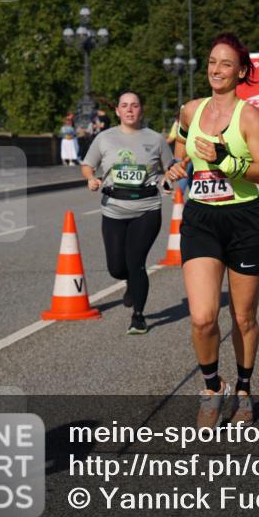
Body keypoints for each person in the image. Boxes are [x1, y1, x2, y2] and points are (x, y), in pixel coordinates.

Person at [164, 32, 259, 428]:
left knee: (243, 317)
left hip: (244, 219)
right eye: (212, 61)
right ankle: (213, 387)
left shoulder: (249, 116)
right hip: (201, 219)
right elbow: (180, 150)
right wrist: (175, 168)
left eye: (226, 63)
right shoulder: (191, 111)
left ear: (241, 71)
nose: (216, 69)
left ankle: (244, 391)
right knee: (201, 317)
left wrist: (228, 162)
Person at [81, 91, 172, 335]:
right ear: (118, 111)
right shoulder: (105, 138)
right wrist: (91, 179)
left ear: (141, 110)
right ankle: (130, 283)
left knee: (136, 262)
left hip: (147, 209)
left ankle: (138, 317)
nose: (130, 110)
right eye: (124, 106)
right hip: (113, 209)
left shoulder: (156, 139)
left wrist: (169, 180)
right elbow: (88, 164)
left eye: (134, 105)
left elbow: (170, 167)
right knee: (116, 268)